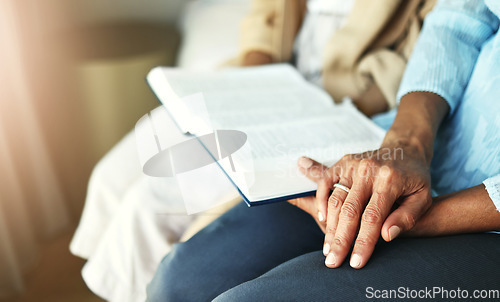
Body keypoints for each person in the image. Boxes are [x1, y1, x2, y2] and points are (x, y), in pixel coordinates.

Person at [70, 0, 433, 300]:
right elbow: (266, 18)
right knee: (110, 177)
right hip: (267, 83)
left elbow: (422, 58)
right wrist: (253, 85)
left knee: (147, 205)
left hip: (341, 103)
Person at [146, 0, 500, 300]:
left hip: (483, 218)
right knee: (180, 281)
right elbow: (460, 17)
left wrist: (420, 220)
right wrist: (406, 143)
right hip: (426, 146)